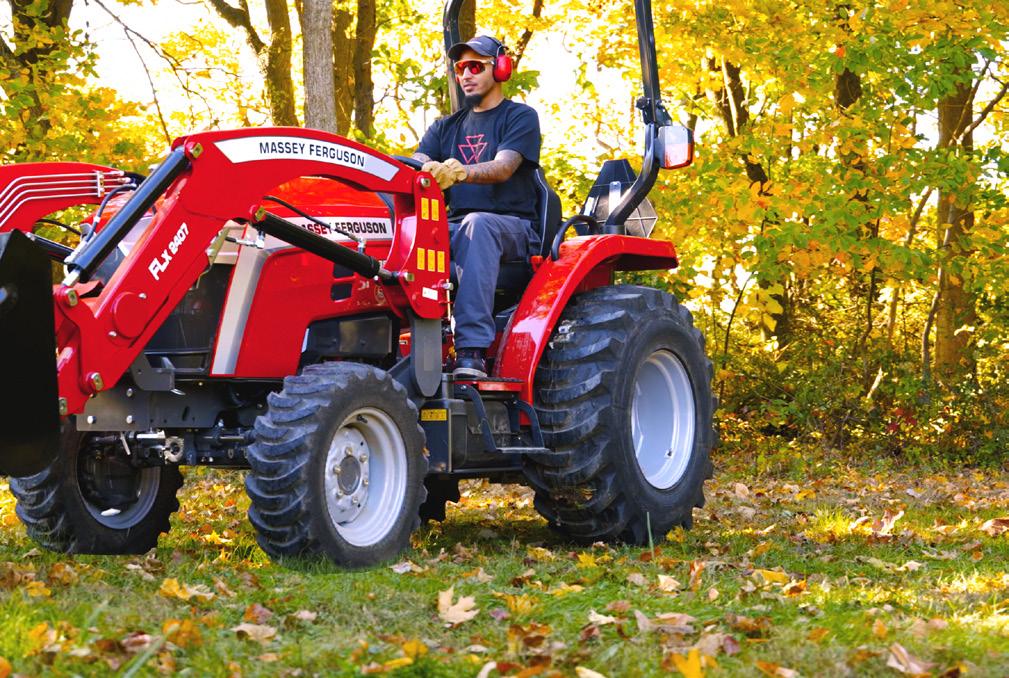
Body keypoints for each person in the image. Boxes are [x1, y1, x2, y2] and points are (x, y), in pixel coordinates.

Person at [413, 35, 542, 379]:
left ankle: (471, 351)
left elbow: (504, 167)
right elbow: (416, 162)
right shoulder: (444, 127)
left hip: (512, 229)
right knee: (399, 231)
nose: (466, 75)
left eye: (475, 66)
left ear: (500, 68)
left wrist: (459, 172)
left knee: (477, 223)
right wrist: (416, 168)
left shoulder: (520, 117)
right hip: (455, 229)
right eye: (460, 69)